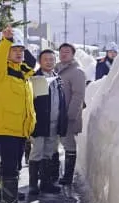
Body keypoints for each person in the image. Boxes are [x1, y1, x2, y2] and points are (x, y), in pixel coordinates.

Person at [0, 26, 36, 203]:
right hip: (7, 128)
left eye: (21, 50)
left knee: (15, 166)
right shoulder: (2, 73)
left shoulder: (23, 75)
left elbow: (32, 62)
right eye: (14, 50)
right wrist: (6, 41)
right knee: (10, 166)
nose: (19, 53)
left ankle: (8, 201)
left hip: (21, 129)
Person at [28, 49, 68, 195]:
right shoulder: (34, 77)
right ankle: (33, 184)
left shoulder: (57, 78)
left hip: (54, 122)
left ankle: (46, 183)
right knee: (37, 151)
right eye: (46, 59)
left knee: (49, 152)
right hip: (39, 122)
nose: (49, 62)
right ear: (40, 61)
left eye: (52, 59)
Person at [54, 43, 86, 186]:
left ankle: (68, 176)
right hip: (55, 115)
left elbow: (78, 96)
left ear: (73, 54)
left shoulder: (77, 72)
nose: (63, 54)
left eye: (67, 52)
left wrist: (70, 116)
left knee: (69, 145)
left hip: (67, 116)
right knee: (54, 144)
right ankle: (53, 174)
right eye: (61, 52)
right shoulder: (57, 69)